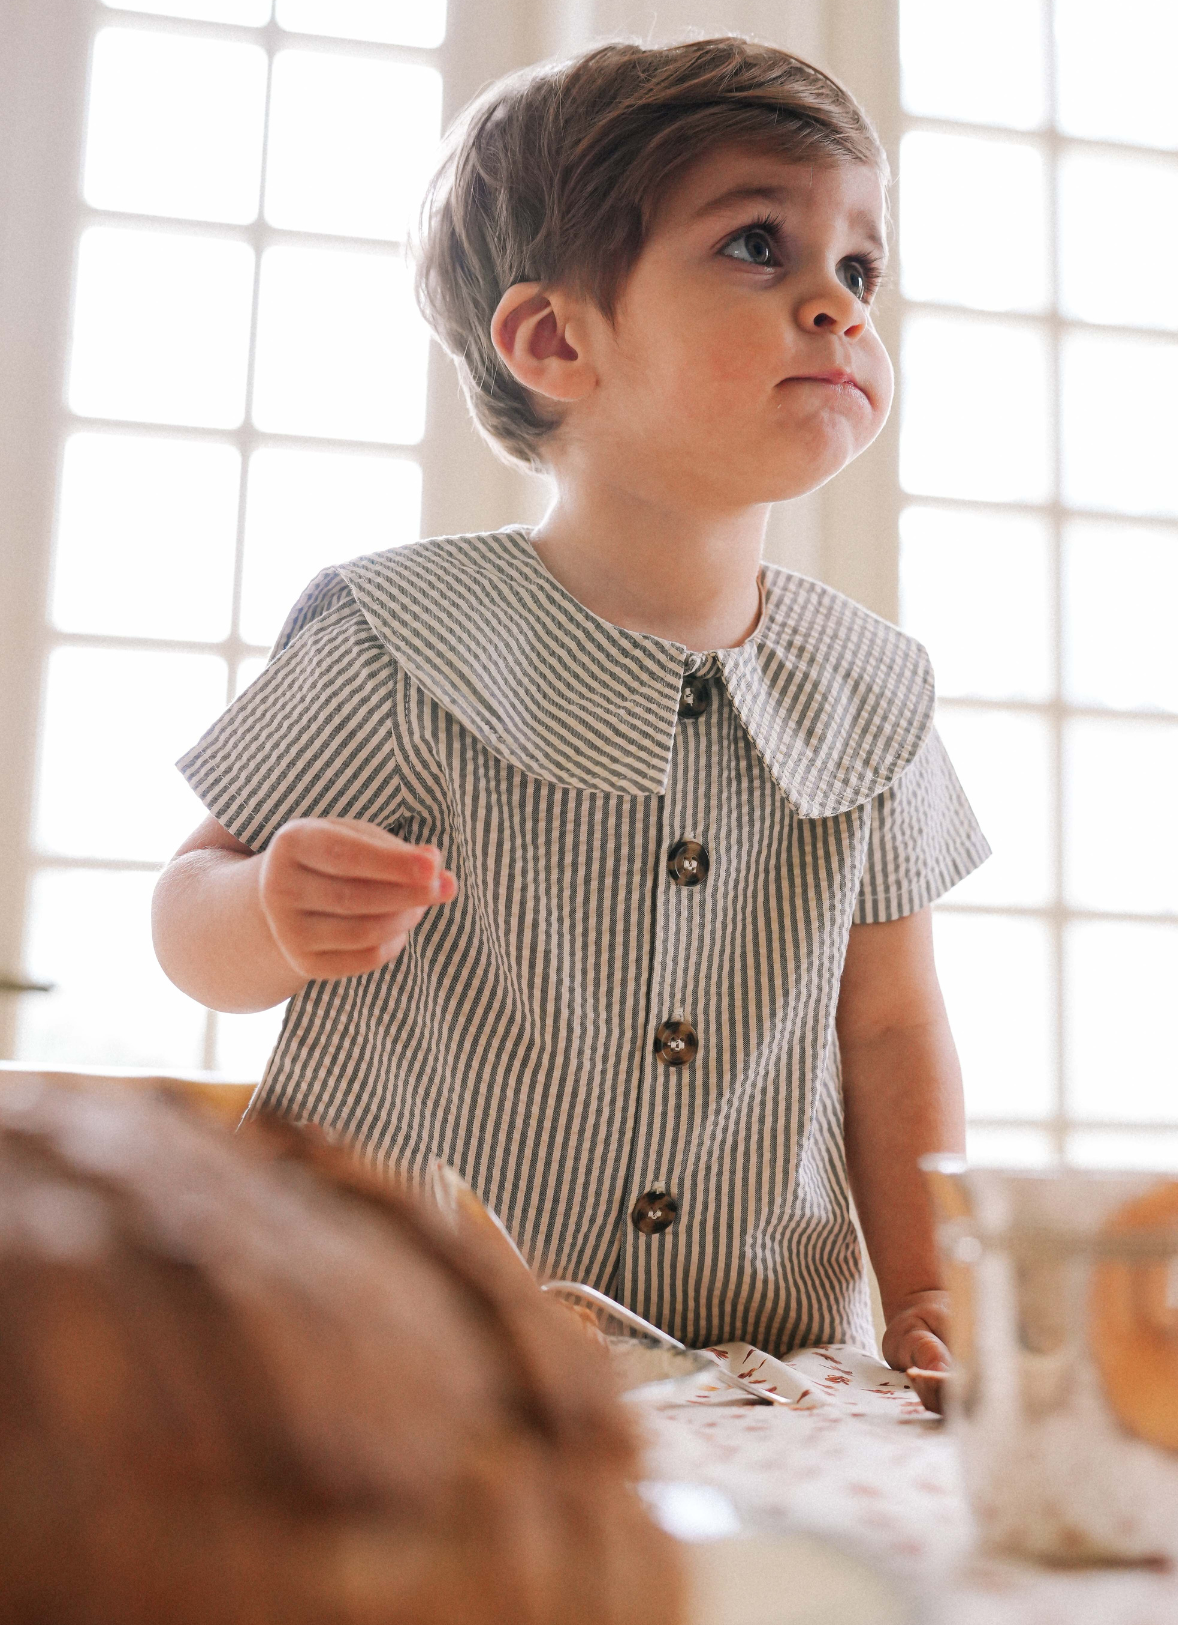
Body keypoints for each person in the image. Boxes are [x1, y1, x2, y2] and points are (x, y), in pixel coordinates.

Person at [152, 37, 990, 1369]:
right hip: (395, 1355)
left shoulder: (876, 692)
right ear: (555, 339)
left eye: (860, 266)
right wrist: (263, 911)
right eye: (760, 246)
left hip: (746, 1372)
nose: (838, 303)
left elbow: (890, 1028)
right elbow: (187, 916)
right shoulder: (396, 639)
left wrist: (932, 1291)